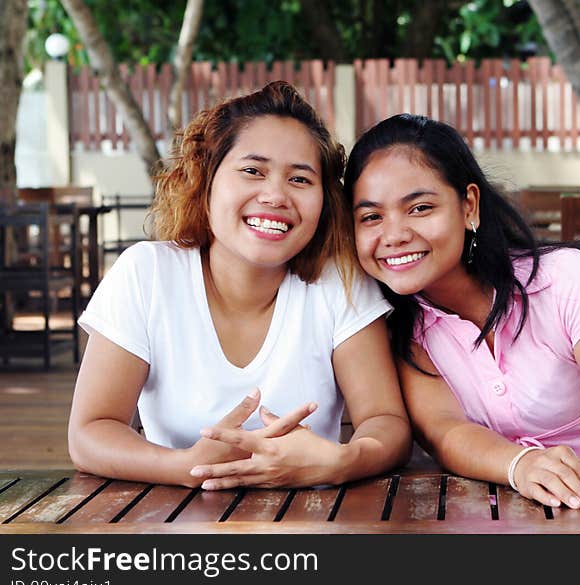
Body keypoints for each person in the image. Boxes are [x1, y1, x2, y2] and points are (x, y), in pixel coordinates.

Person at [69, 82, 411, 490]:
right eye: (253, 171)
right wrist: (185, 467)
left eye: (300, 179)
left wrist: (342, 462)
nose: (275, 195)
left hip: (314, 528)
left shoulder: (338, 282)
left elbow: (386, 422)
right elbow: (90, 432)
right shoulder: (147, 274)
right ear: (206, 179)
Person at [343, 114, 580, 509]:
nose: (395, 234)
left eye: (419, 208)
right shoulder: (397, 326)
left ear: (469, 205)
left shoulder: (565, 281)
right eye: (371, 217)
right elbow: (446, 430)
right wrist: (520, 465)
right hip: (491, 518)